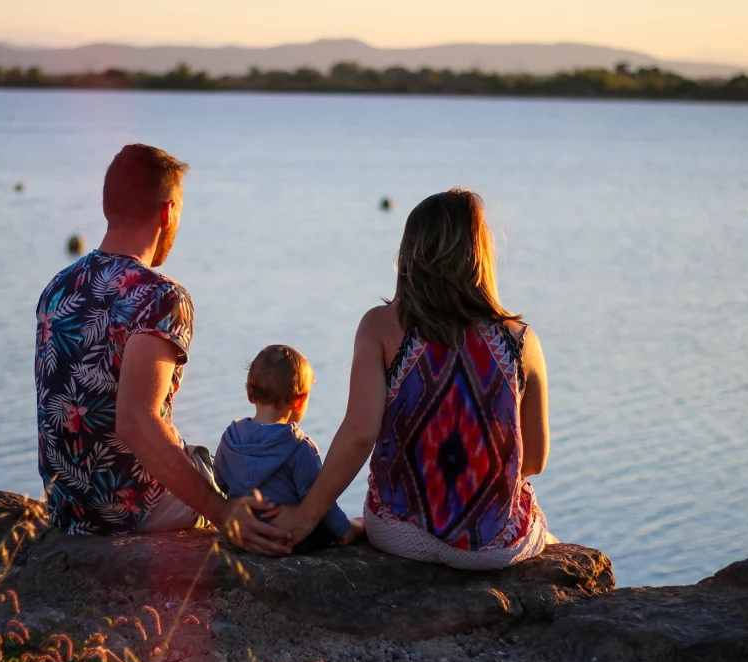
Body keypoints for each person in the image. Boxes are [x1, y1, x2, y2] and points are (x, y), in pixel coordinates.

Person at [268, 189, 553, 569]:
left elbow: (358, 435)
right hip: (493, 548)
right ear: (481, 255)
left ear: (410, 253)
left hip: (399, 534)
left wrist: (306, 516)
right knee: (545, 533)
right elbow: (533, 460)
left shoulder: (380, 326)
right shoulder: (521, 341)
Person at [34, 143, 291, 555]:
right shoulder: (160, 297)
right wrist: (222, 512)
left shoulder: (59, 286)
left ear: (107, 207)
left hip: (68, 507)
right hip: (129, 511)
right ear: (169, 211)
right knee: (249, 474)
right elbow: (137, 422)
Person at [213, 345, 365, 553]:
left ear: (250, 393)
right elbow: (319, 497)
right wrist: (345, 530)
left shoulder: (230, 437)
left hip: (244, 531)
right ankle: (354, 525)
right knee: (327, 522)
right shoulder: (300, 447)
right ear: (300, 400)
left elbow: (220, 481)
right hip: (285, 535)